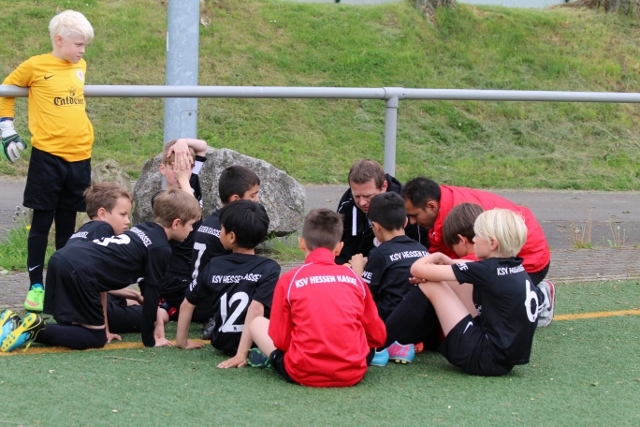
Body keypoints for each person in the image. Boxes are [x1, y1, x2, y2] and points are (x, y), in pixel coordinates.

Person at [0, 188, 201, 352]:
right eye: (191, 225)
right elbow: (151, 293)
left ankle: (18, 323)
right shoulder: (161, 248)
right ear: (176, 223)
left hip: (62, 259)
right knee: (96, 338)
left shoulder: (144, 228)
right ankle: (34, 328)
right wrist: (150, 339)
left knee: (76, 326)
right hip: (79, 271)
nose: (192, 230)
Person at [0, 10, 95, 313]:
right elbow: (5, 91)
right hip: (48, 157)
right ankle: (35, 287)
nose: (82, 50)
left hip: (80, 156)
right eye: (78, 44)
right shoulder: (35, 65)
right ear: (59, 39)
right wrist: (6, 130)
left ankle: (60, 286)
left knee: (67, 224)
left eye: (85, 45)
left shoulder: (81, 66)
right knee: (41, 222)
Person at [247, 208, 386, 387]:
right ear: (339, 248)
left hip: (301, 372)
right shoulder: (355, 279)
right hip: (352, 373)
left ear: (301, 243)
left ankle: (273, 360)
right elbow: (378, 337)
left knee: (256, 323)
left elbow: (281, 341)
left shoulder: (289, 280)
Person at [402, 176, 555, 327]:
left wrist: (432, 272)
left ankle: (539, 297)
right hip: (513, 250)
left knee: (479, 295)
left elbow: (476, 264)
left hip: (530, 259)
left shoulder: (463, 218)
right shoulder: (442, 204)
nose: (412, 222)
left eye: (414, 215)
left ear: (431, 206)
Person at [410, 208, 539, 376]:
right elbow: (475, 268)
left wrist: (437, 256)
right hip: (504, 360)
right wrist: (449, 262)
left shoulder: (485, 271)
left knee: (431, 284)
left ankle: (389, 340)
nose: (474, 240)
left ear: (492, 243)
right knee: (452, 280)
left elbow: (417, 269)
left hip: (482, 359)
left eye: (477, 235)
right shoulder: (516, 267)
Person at [176, 200, 281, 369]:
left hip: (221, 341)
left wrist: (182, 341)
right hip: (255, 342)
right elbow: (256, 309)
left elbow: (188, 303)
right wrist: (241, 354)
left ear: (231, 237)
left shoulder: (214, 264)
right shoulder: (269, 268)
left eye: (221, 228)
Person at [349, 192, 428, 365]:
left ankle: (387, 345)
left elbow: (364, 294)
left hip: (388, 323)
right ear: (405, 222)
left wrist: (357, 270)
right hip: (420, 326)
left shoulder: (379, 253)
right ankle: (407, 343)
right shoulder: (423, 250)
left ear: (376, 227)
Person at [146, 138, 209, 336]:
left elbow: (203, 146)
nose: (180, 171)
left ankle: (166, 308)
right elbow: (192, 210)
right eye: (175, 167)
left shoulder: (191, 181)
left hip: (194, 271)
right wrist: (184, 178)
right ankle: (164, 310)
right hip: (175, 275)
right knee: (204, 305)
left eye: (185, 166)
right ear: (162, 169)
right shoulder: (161, 198)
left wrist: (181, 142)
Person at [65, 182, 145, 335]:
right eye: (123, 214)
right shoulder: (103, 229)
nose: (127, 221)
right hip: (84, 306)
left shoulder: (85, 230)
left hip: (70, 302)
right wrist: (105, 330)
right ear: (102, 214)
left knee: (132, 301)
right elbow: (100, 286)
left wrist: (134, 294)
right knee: (158, 315)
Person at [191, 165, 261, 339]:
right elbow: (244, 267)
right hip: (211, 302)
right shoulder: (231, 228)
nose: (257, 200)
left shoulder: (213, 219)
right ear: (235, 199)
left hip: (194, 296)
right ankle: (217, 320)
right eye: (253, 196)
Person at [335, 159, 426, 265]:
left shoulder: (406, 206)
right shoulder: (347, 204)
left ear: (383, 186)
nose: (362, 202)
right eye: (357, 196)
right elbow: (341, 251)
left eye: (368, 196)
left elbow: (419, 250)